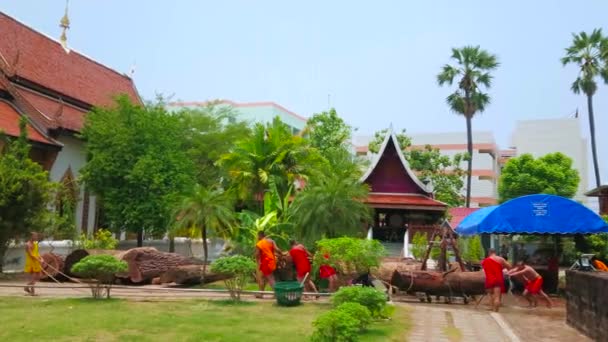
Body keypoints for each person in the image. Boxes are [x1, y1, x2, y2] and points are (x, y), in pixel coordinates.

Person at [481, 248, 511, 312]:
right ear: (495, 252)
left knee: (490, 295)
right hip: (498, 279)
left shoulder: (485, 261)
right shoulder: (500, 259)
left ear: (489, 253)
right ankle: (496, 310)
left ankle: (492, 308)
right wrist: (502, 267)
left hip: (489, 279)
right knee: (497, 296)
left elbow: (485, 269)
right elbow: (509, 267)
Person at [255, 231, 281, 296]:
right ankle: (261, 294)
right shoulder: (271, 241)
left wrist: (258, 262)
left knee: (270, 278)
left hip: (265, 262)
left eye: (258, 236)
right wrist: (282, 253)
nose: (257, 237)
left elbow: (257, 254)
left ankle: (277, 293)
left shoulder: (260, 243)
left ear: (260, 235)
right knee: (263, 278)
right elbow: (277, 249)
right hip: (272, 261)